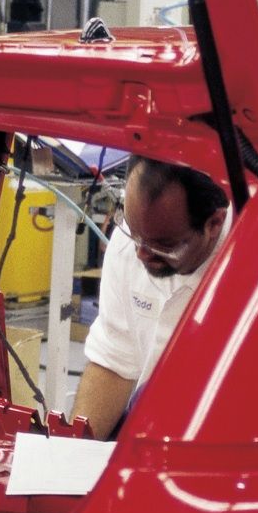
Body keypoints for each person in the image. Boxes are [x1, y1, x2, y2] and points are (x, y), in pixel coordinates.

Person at [71, 157, 229, 438]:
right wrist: (70, 454)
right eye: (134, 234)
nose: (140, 254)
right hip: (148, 438)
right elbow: (114, 360)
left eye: (163, 245)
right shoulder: (129, 245)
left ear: (214, 223)